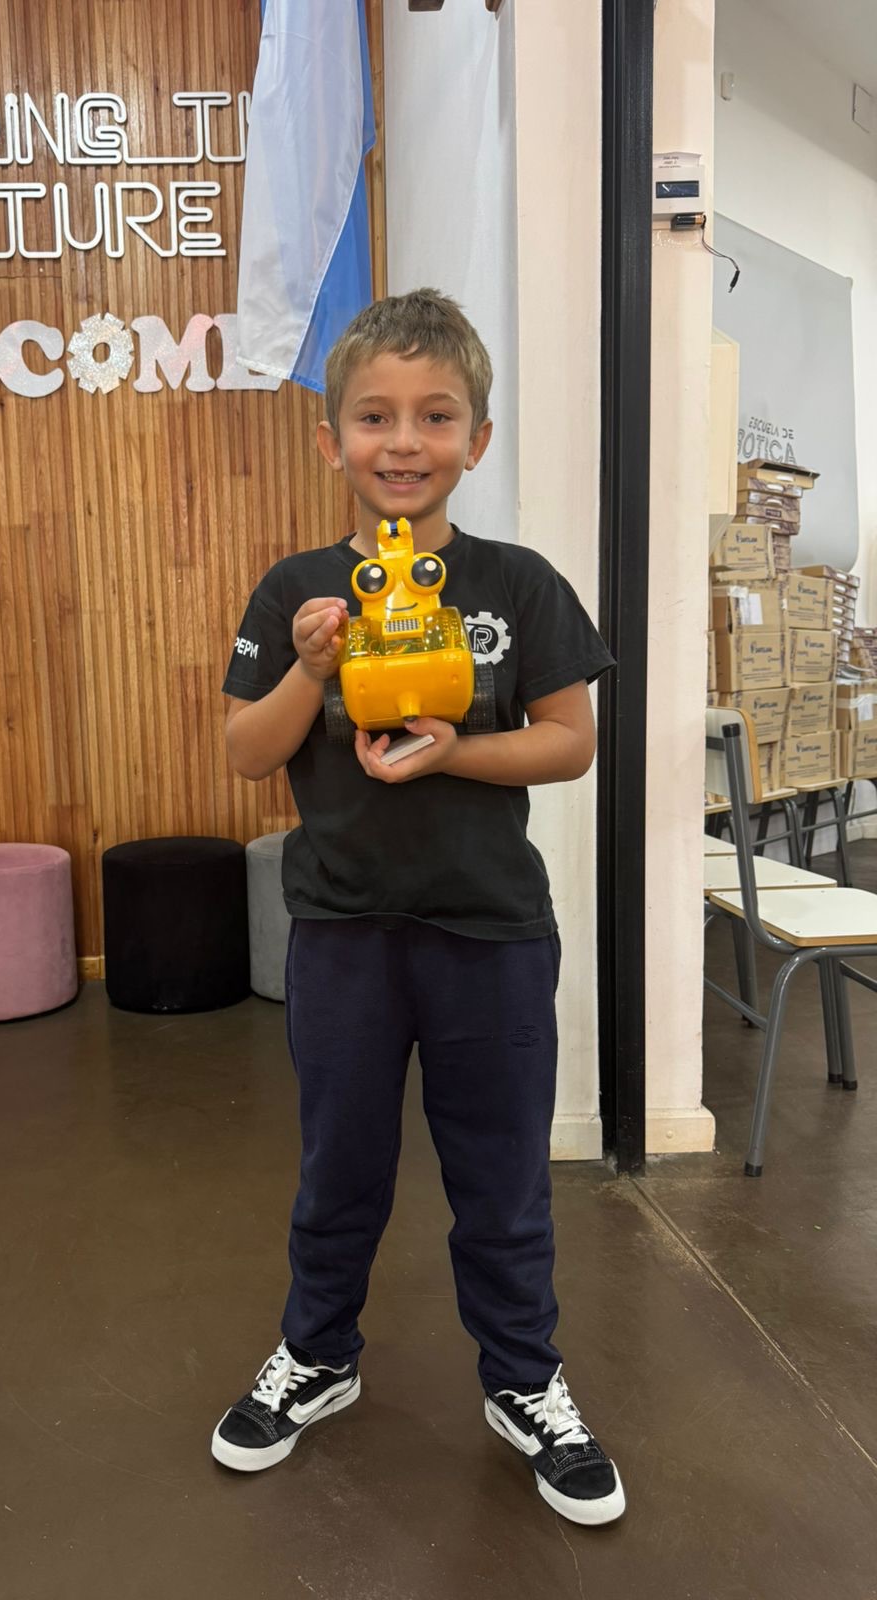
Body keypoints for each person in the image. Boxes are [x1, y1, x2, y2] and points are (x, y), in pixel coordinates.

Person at [213, 288, 622, 1527]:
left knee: (501, 1174)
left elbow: (569, 742)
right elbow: (246, 750)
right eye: (375, 416)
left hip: (491, 932)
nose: (404, 441)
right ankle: (318, 1356)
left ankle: (524, 1378)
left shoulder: (518, 584)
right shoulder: (297, 589)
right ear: (330, 437)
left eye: (436, 416)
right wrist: (311, 667)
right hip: (341, 929)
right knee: (339, 1164)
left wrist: (453, 752)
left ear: (476, 440)